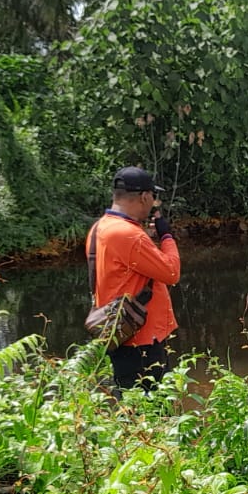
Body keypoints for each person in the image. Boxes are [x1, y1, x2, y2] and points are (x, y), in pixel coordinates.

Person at [87, 165, 181, 393]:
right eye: (152, 197)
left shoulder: (101, 227)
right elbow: (171, 272)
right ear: (144, 196)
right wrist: (166, 236)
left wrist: (147, 242)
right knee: (151, 410)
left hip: (120, 333)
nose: (152, 204)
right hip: (143, 341)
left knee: (130, 404)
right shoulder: (128, 234)